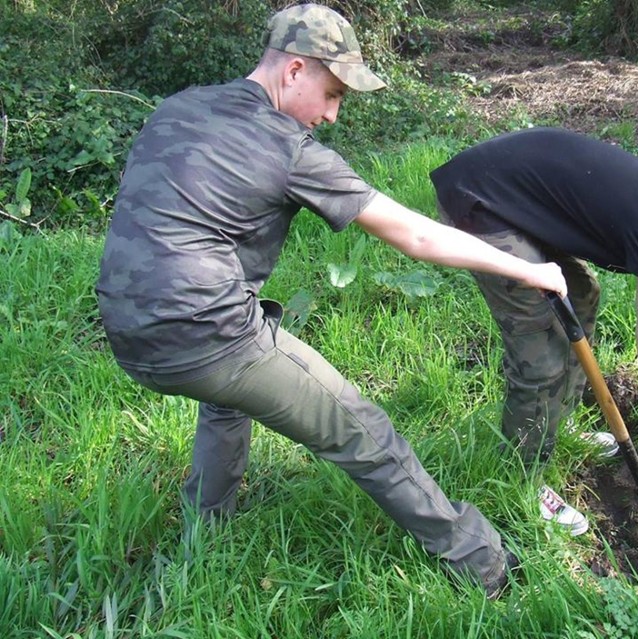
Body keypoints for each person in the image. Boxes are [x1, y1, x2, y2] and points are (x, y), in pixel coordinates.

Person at [95, 4, 569, 598]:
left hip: (127, 331)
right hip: (207, 334)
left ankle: (204, 532)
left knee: (225, 400)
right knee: (365, 434)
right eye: (332, 92)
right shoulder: (288, 148)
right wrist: (528, 269)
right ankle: (484, 563)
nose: (332, 114)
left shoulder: (177, 108)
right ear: (294, 69)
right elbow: (417, 236)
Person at [430, 127, 638, 534]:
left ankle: (562, 418)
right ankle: (523, 482)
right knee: (538, 347)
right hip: (483, 200)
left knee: (581, 295)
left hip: (511, 196)